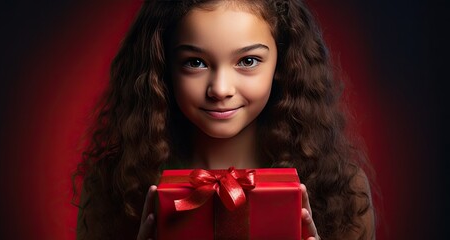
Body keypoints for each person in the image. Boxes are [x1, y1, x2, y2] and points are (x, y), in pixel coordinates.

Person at [73, 0, 376, 239]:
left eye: (248, 61)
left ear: (282, 65)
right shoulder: (111, 188)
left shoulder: (345, 191)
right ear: (163, 67)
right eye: (195, 62)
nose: (220, 89)